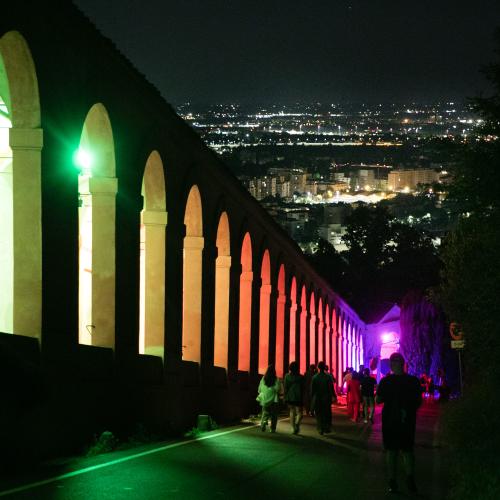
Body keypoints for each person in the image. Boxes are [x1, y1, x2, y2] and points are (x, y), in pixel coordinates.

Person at [376, 352, 422, 494]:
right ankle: (410, 480)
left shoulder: (385, 381)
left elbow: (378, 400)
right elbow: (419, 402)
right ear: (403, 364)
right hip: (407, 421)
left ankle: (392, 482)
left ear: (391, 364)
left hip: (390, 422)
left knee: (391, 452)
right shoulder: (413, 381)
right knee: (407, 451)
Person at [312, 361, 336, 434]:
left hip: (318, 398)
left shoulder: (315, 377)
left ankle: (320, 428)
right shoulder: (328, 377)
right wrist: (334, 395)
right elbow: (331, 388)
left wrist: (312, 398)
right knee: (327, 413)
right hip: (326, 397)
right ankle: (326, 427)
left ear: (318, 368)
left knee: (319, 413)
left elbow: (313, 389)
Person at [256, 365, 282, 433]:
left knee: (265, 412)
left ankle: (264, 422)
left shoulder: (263, 378)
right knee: (274, 415)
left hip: (265, 399)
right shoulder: (276, 379)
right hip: (274, 400)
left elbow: (259, 389)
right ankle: (272, 428)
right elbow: (277, 389)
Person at [284, 361, 304, 434]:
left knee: (292, 411)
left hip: (290, 396)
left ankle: (293, 428)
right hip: (299, 396)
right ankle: (297, 423)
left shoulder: (287, 376)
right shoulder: (301, 377)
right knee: (300, 412)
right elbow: (303, 388)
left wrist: (285, 396)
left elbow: (285, 387)